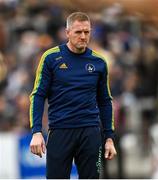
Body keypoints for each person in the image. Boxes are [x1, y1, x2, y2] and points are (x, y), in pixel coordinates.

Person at [29, 12, 117, 179]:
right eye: (78, 32)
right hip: (60, 131)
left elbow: (105, 101)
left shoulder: (99, 62)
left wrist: (109, 138)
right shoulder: (50, 58)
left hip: (90, 133)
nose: (83, 36)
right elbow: (38, 95)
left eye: (87, 32)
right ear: (67, 32)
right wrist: (36, 132)